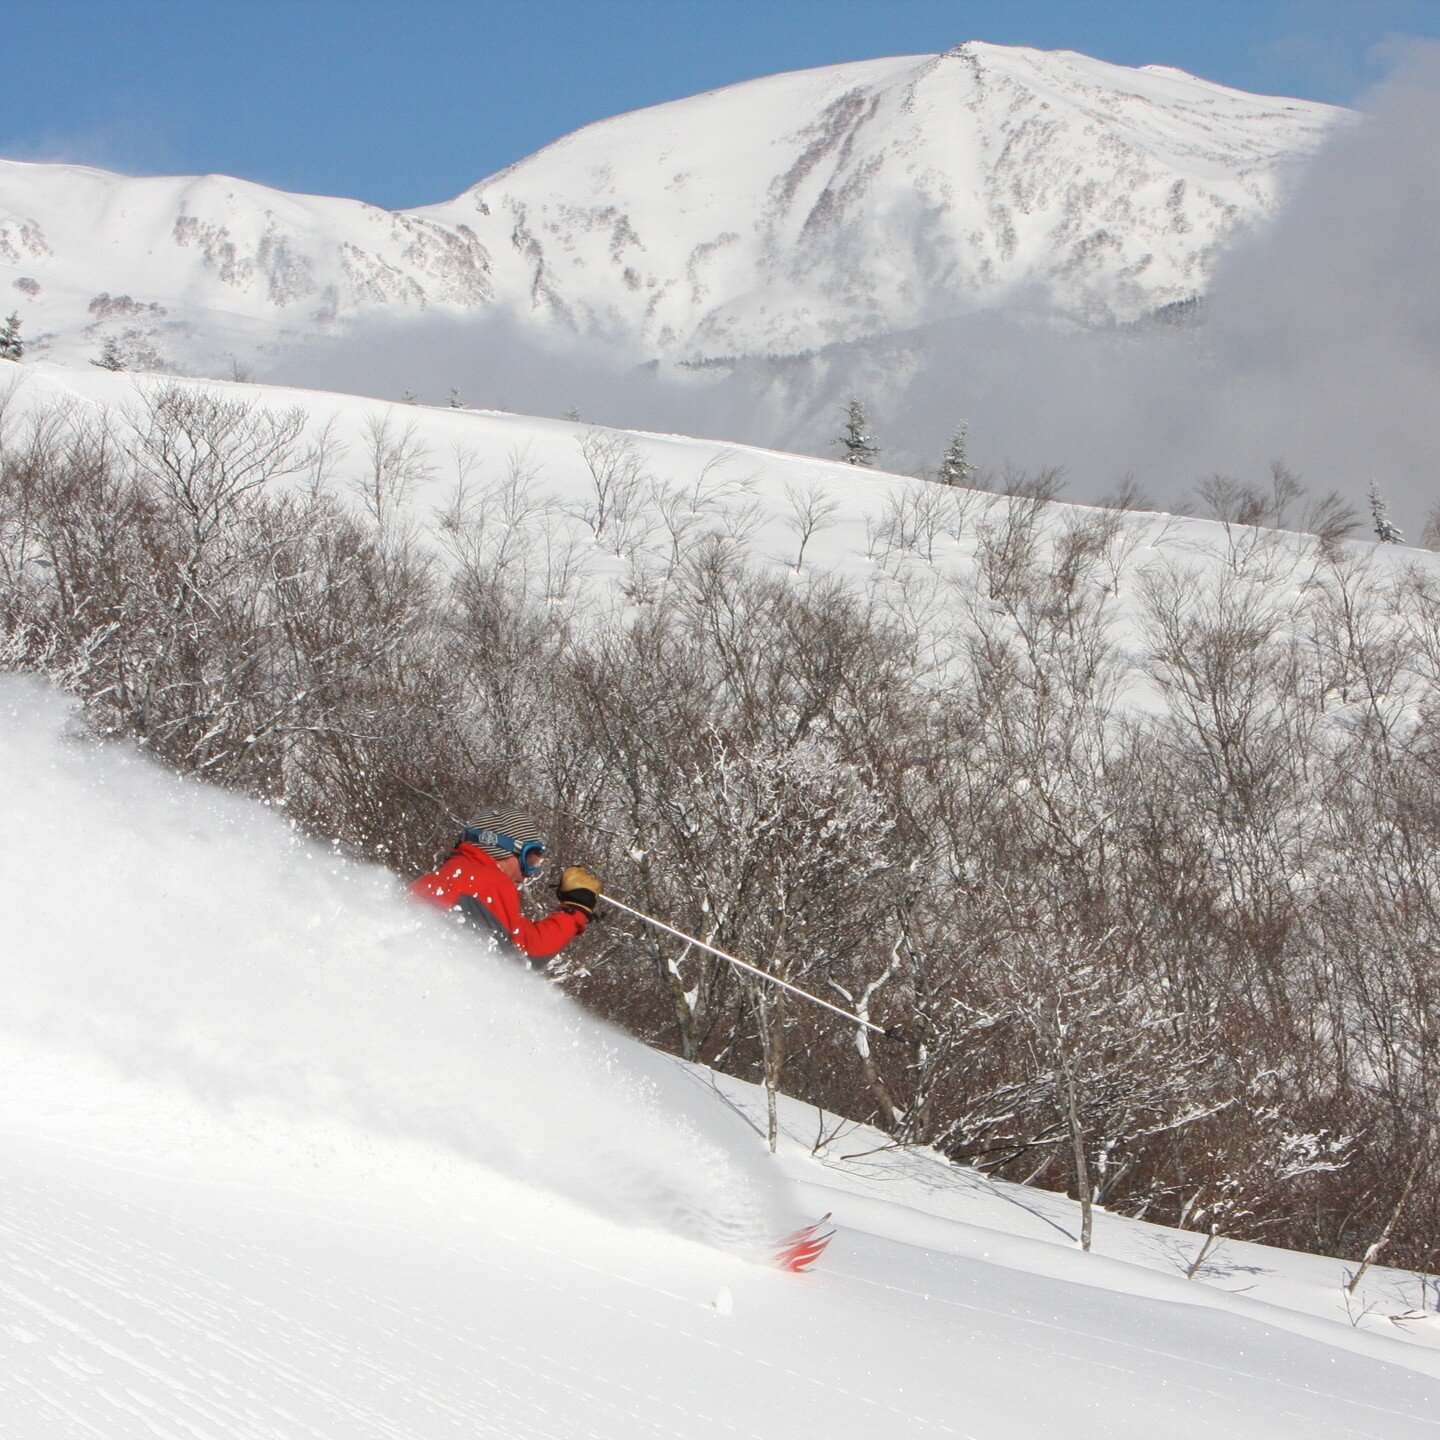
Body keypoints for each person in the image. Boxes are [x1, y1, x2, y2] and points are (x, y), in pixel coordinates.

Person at [411, 805, 601, 965]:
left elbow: (521, 937)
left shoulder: (432, 880)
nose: (526, 875)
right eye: (529, 860)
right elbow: (523, 955)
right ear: (498, 849)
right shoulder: (490, 884)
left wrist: (573, 911)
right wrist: (577, 907)